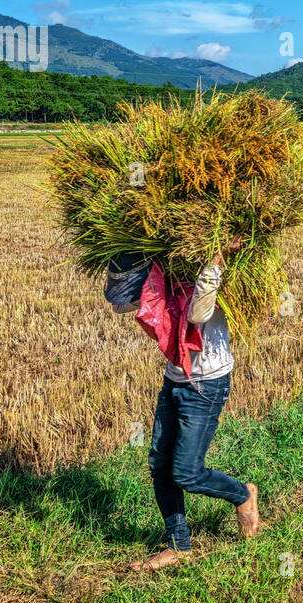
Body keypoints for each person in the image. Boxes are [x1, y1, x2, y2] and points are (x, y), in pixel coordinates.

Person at [107, 239, 261, 574]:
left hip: (206, 385)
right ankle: (178, 546)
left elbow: (198, 312)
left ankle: (243, 495)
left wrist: (218, 259)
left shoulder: (206, 275)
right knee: (160, 466)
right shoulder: (170, 274)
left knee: (187, 472)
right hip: (174, 380)